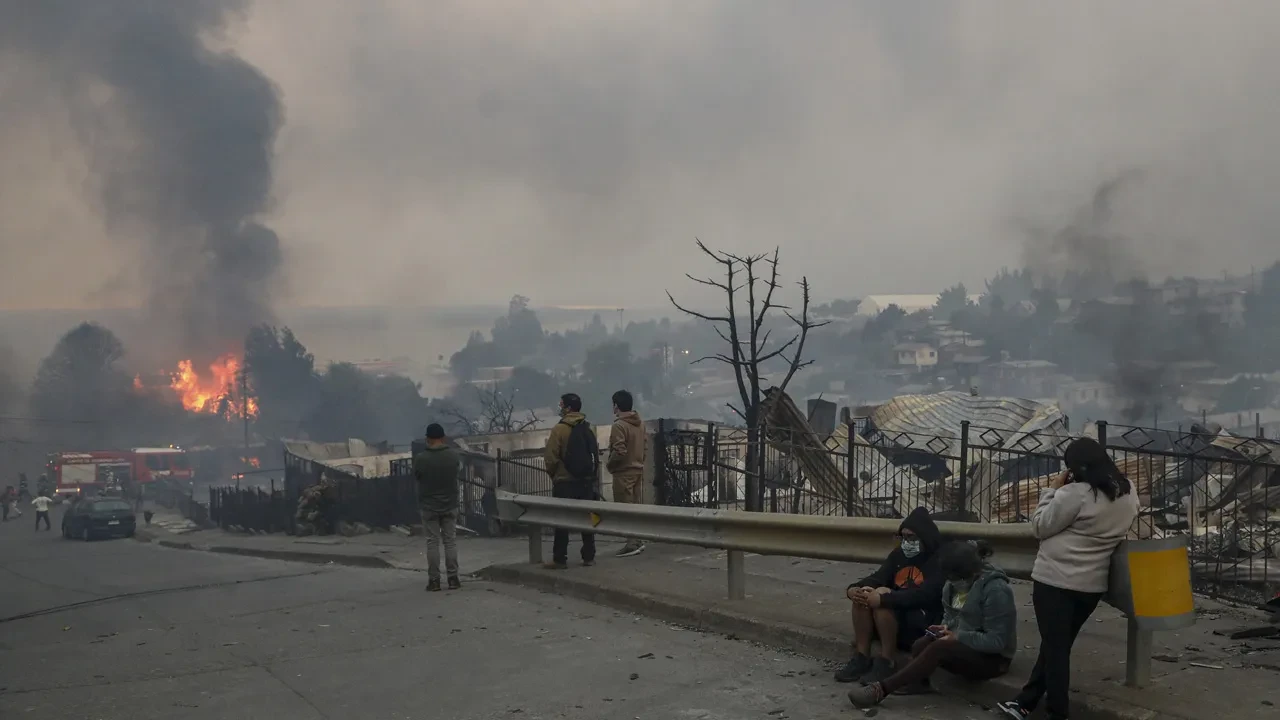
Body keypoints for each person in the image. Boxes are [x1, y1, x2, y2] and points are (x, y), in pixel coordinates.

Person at [997, 437, 1138, 720]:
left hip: (1055, 582)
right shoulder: (1128, 492)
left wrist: (1051, 490)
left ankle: (1057, 712)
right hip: (1090, 585)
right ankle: (1024, 702)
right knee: (1056, 645)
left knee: (1056, 650)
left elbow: (1040, 526)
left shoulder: (1075, 494)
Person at [847, 540, 1017, 708]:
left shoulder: (996, 590)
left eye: (955, 578)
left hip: (994, 660)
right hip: (965, 643)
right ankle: (916, 681)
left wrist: (957, 636)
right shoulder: (951, 586)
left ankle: (881, 690)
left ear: (968, 573)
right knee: (921, 644)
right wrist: (945, 628)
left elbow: (996, 642)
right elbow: (952, 617)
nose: (952, 582)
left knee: (939, 648)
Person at [835, 507, 945, 684]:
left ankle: (887, 660)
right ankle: (862, 656)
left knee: (882, 599)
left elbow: (926, 595)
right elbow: (878, 577)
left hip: (921, 625)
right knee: (864, 596)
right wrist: (854, 589)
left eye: (912, 538)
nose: (906, 542)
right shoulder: (898, 555)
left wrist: (884, 599)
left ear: (924, 538)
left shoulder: (938, 561)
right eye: (903, 537)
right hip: (893, 622)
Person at [543, 392, 598, 569]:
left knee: (562, 521)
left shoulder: (559, 429)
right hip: (585, 481)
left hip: (564, 481)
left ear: (567, 408)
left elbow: (551, 458)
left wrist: (556, 475)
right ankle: (588, 556)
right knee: (588, 519)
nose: (560, 408)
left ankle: (560, 558)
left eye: (561, 405)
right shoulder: (588, 427)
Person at [413, 423, 462, 592]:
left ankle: (434, 581)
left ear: (428, 438)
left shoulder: (421, 458)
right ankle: (453, 578)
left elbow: (418, 477)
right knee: (450, 541)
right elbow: (457, 473)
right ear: (443, 437)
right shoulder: (453, 456)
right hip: (450, 504)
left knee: (432, 542)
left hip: (429, 506)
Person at [606, 389, 647, 558]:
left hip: (623, 472)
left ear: (616, 405)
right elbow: (645, 446)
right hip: (638, 469)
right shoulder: (640, 423)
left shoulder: (619, 426)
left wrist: (610, 464)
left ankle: (631, 543)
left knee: (624, 508)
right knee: (635, 506)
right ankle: (638, 540)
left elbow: (619, 451)